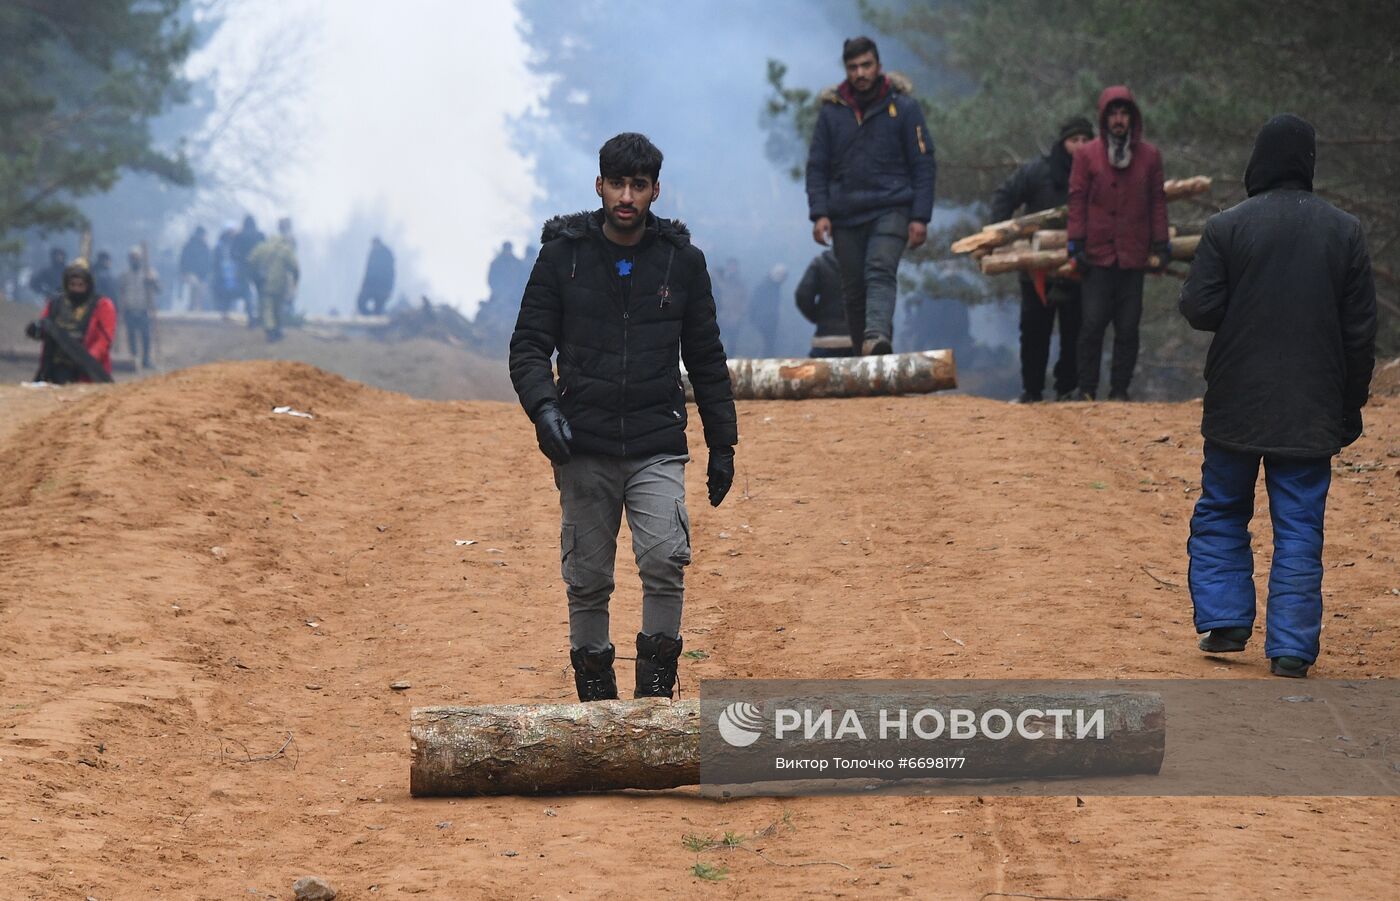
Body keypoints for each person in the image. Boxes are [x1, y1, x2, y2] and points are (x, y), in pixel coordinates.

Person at [509, 132, 737, 702]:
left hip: (656, 440)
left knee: (665, 560)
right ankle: (596, 701)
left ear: (655, 189)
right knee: (587, 577)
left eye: (639, 185)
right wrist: (543, 409)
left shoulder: (682, 264)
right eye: (617, 184)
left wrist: (723, 444)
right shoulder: (563, 258)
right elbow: (529, 346)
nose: (627, 196)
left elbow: (706, 358)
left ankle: (657, 691)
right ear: (599, 185)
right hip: (581, 442)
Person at [1179, 114, 1376, 679]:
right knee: (1299, 526)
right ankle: (1291, 649)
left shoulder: (1227, 227)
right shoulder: (1345, 231)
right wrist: (1349, 406)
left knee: (1221, 510)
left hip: (1236, 402)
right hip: (1312, 408)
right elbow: (1360, 334)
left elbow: (1200, 309)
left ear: (1257, 161)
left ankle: (1225, 622)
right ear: (1308, 164)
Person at [806, 35, 936, 356]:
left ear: (879, 65)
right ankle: (865, 356)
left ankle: (876, 337)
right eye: (853, 67)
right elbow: (816, 167)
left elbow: (923, 163)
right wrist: (819, 212)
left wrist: (920, 216)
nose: (860, 72)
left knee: (879, 269)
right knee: (852, 288)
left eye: (866, 65)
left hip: (892, 207)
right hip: (845, 213)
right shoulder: (832, 112)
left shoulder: (904, 108)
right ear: (846, 70)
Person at [1066, 86, 1169, 401]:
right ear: (1104, 118)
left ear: (1132, 118)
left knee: (1128, 327)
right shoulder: (1087, 155)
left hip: (1133, 254)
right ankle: (1086, 389)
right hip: (1097, 254)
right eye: (1113, 114)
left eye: (1124, 114)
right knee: (1093, 323)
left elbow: (1157, 201)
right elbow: (1077, 198)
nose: (1119, 120)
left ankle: (1120, 390)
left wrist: (1161, 243)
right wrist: (1076, 243)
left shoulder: (1150, 157)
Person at [992, 117, 1095, 402]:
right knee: (1034, 331)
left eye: (1087, 141)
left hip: (1079, 267)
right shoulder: (1038, 171)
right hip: (1037, 269)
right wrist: (1001, 237)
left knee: (1076, 332)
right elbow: (1004, 196)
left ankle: (1067, 390)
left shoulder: (1098, 174)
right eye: (1075, 141)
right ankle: (1032, 390)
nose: (1080, 147)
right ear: (1063, 143)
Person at [25, 259, 116, 384]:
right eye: (73, 284)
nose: (76, 289)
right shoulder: (55, 303)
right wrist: (35, 330)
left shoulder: (102, 305)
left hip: (88, 370)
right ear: (66, 284)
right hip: (57, 365)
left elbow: (105, 339)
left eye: (80, 285)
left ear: (88, 284)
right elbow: (46, 328)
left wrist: (87, 359)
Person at [794, 250, 854, 357]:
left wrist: (818, 317)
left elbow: (802, 295)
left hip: (826, 339)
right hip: (858, 340)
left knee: (819, 373)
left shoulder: (820, 262)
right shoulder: (867, 262)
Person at [248, 217, 299, 342]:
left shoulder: (263, 247)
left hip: (264, 282)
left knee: (267, 306)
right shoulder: (286, 248)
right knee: (278, 307)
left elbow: (251, 260)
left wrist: (254, 273)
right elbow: (294, 266)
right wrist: (295, 280)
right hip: (281, 282)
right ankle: (277, 329)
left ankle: (270, 329)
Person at [117, 246, 160, 369]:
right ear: (129, 260)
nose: (134, 260)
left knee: (146, 335)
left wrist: (152, 282)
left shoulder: (150, 273)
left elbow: (158, 289)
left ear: (140, 259)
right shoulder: (124, 275)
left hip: (144, 310)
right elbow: (120, 291)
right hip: (129, 310)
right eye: (132, 258)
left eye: (136, 258)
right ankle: (133, 359)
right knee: (131, 335)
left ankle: (146, 359)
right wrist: (121, 308)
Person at [232, 215, 265, 327]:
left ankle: (251, 317)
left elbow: (232, 253)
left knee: (247, 293)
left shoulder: (239, 236)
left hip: (243, 267)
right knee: (261, 293)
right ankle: (262, 317)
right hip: (258, 268)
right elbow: (266, 250)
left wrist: (240, 260)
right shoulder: (260, 235)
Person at [749, 264, 787, 358]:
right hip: (763, 322)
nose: (783, 278)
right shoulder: (764, 286)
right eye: (781, 275)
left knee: (768, 346)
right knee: (764, 347)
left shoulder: (775, 287)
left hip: (770, 321)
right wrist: (753, 319)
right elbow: (754, 304)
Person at [356, 236, 396, 315]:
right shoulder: (372, 253)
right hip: (371, 285)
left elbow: (390, 273)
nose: (373, 246)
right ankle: (369, 317)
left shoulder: (387, 255)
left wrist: (389, 289)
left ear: (378, 243)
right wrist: (363, 286)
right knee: (360, 302)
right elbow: (368, 271)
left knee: (378, 308)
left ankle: (375, 323)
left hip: (382, 287)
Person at [178, 225, 212, 311]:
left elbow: (208, 261)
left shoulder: (205, 247)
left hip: (202, 275)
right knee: (195, 287)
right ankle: (192, 306)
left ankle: (195, 307)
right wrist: (184, 272)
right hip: (191, 273)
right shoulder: (190, 245)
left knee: (199, 290)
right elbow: (184, 260)